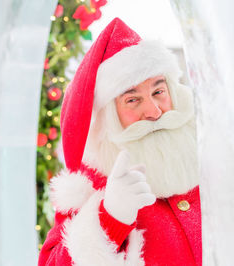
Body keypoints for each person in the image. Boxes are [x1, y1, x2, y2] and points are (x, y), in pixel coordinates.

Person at [38, 18, 201, 266]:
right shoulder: (90, 184)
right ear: (110, 115)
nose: (155, 112)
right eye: (133, 100)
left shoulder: (208, 152)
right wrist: (109, 218)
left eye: (159, 92)